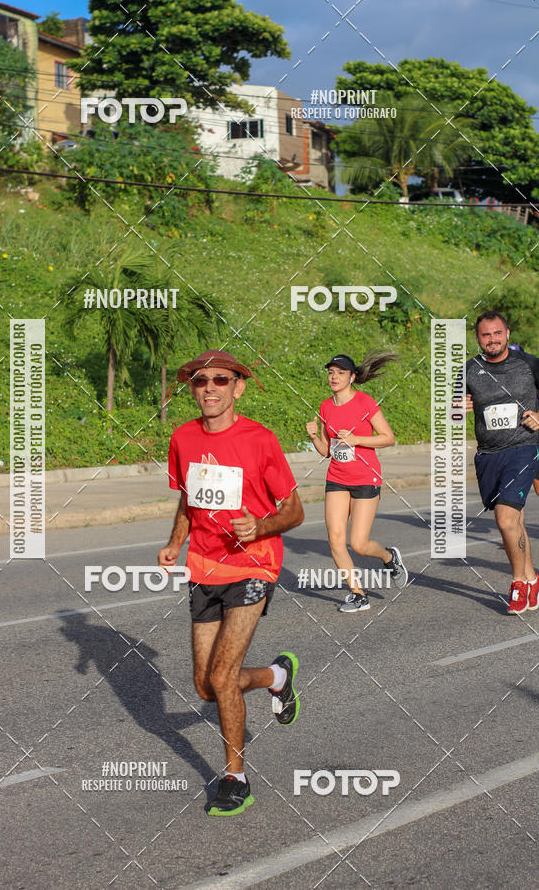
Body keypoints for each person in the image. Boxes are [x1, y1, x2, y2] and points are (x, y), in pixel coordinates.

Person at [158, 350, 304, 816]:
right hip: (204, 567)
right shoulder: (182, 438)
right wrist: (174, 543)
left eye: (221, 380)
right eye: (200, 381)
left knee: (222, 676)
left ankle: (234, 777)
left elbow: (295, 511)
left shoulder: (260, 440)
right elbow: (187, 500)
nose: (210, 388)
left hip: (255, 563)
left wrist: (259, 528)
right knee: (205, 686)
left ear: (237, 387)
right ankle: (276, 676)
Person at [305, 353, 408, 613]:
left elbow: (388, 437)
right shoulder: (325, 407)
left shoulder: (364, 402)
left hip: (365, 477)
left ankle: (389, 558)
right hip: (337, 478)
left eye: (340, 373)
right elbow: (327, 451)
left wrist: (357, 440)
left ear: (352, 377)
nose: (334, 377)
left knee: (359, 544)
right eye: (331, 372)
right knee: (335, 541)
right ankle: (358, 594)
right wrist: (315, 437)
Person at [465, 311, 539, 614]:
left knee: (506, 519)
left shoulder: (530, 364)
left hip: (524, 448)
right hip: (488, 454)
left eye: (497, 333)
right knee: (515, 522)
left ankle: (519, 583)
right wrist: (458, 407)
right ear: (478, 338)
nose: (492, 339)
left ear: (507, 334)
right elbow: (454, 408)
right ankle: (533, 578)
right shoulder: (469, 369)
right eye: (486, 335)